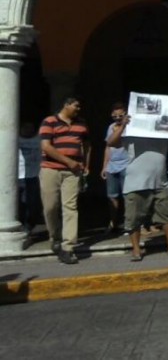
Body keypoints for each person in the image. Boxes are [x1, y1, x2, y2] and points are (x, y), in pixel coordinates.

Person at [107, 113, 168, 261]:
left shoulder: (163, 132)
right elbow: (111, 142)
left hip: (160, 181)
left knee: (167, 216)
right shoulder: (131, 131)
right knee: (134, 218)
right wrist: (123, 125)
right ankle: (136, 250)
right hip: (135, 183)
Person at [38, 97, 90, 265]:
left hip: (72, 172)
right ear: (66, 105)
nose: (78, 108)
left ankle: (68, 247)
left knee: (70, 207)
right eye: (76, 105)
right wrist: (68, 161)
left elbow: (87, 144)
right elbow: (46, 146)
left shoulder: (81, 123)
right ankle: (55, 237)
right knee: (50, 206)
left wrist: (85, 164)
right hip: (50, 169)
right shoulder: (49, 121)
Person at [101, 102, 130, 234]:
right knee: (112, 196)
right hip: (112, 165)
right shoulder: (111, 127)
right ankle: (113, 222)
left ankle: (129, 223)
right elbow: (108, 146)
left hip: (126, 164)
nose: (118, 118)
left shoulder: (130, 127)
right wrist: (104, 166)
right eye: (115, 116)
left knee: (128, 195)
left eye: (121, 115)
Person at [17, 121, 42, 241]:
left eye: (30, 127)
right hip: (16, 176)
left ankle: (28, 225)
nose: (28, 129)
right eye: (25, 127)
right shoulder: (14, 138)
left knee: (31, 203)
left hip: (33, 176)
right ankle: (21, 225)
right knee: (19, 204)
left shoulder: (39, 139)